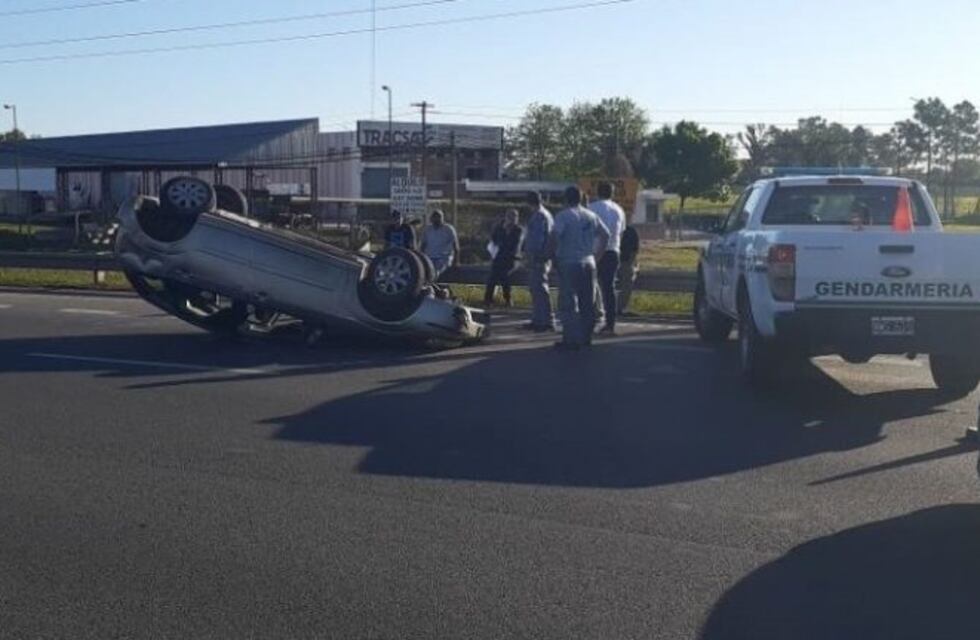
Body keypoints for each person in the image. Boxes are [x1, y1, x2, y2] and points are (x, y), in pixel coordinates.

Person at [548, 186, 610, 350]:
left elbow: (554, 237)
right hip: (588, 262)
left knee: (569, 302)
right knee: (587, 302)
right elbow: (606, 235)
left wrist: (552, 257)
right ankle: (586, 337)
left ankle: (570, 339)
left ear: (566, 199)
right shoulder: (591, 216)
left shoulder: (563, 216)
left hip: (569, 261)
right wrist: (597, 256)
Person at [589, 182, 626, 334]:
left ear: (598, 192)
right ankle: (610, 324)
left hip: (595, 251)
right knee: (609, 288)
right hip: (613, 251)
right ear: (612, 193)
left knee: (589, 287)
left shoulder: (592, 208)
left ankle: (589, 321)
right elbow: (622, 232)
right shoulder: (619, 210)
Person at [522, 191, 555, 331]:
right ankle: (538, 319)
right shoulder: (542, 214)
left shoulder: (540, 216)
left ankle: (546, 320)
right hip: (538, 256)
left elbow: (539, 238)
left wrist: (534, 255)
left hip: (538, 257)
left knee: (540, 288)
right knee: (536, 289)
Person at [484, 208, 524, 307]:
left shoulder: (519, 230)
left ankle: (508, 299)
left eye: (515, 217)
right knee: (492, 275)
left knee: (504, 274)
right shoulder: (498, 228)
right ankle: (488, 300)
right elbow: (493, 241)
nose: (513, 219)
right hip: (499, 257)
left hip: (513, 258)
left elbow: (514, 246)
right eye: (511, 216)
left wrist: (502, 244)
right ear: (506, 217)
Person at [420, 209, 460, 279]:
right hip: (429, 257)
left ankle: (431, 284)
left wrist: (456, 261)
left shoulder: (448, 229)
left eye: (439, 217)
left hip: (443, 257)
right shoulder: (427, 229)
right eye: (435, 217)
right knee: (424, 271)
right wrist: (421, 258)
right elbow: (423, 245)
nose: (437, 219)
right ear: (431, 219)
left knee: (435, 272)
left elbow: (455, 246)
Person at [618, 220, 640, 315]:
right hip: (625, 262)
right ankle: (619, 308)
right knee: (627, 284)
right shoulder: (631, 231)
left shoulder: (613, 228)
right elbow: (635, 250)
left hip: (610, 260)